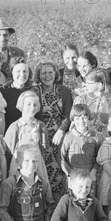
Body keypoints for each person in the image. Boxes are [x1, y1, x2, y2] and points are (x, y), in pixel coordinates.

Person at [34, 61, 73, 199]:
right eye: (43, 73)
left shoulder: (63, 90)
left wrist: (61, 130)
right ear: (38, 75)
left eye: (50, 72)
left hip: (60, 134)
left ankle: (61, 201)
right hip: (41, 135)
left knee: (60, 166)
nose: (47, 76)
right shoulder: (35, 91)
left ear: (55, 74)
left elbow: (69, 114)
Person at [60, 104, 104, 192]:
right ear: (73, 120)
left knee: (89, 201)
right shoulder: (68, 136)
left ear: (89, 118)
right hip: (73, 177)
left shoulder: (96, 136)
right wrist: (69, 175)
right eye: (77, 118)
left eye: (84, 117)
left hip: (89, 177)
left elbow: (99, 157)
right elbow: (62, 158)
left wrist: (93, 172)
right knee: (72, 201)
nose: (81, 121)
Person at [4, 91, 47, 177]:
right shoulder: (15, 126)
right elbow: (8, 150)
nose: (32, 108)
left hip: (36, 161)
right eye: (28, 104)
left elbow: (44, 147)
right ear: (22, 105)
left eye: (35, 105)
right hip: (19, 162)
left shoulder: (41, 126)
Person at [73, 68, 111, 137]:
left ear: (99, 85)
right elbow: (73, 121)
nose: (85, 85)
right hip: (83, 139)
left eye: (89, 83)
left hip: (103, 142)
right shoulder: (81, 99)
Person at [0, 61, 40, 129]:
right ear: (12, 73)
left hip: (29, 132)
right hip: (9, 133)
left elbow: (39, 115)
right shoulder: (2, 92)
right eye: (18, 71)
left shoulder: (34, 91)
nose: (22, 74)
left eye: (25, 71)